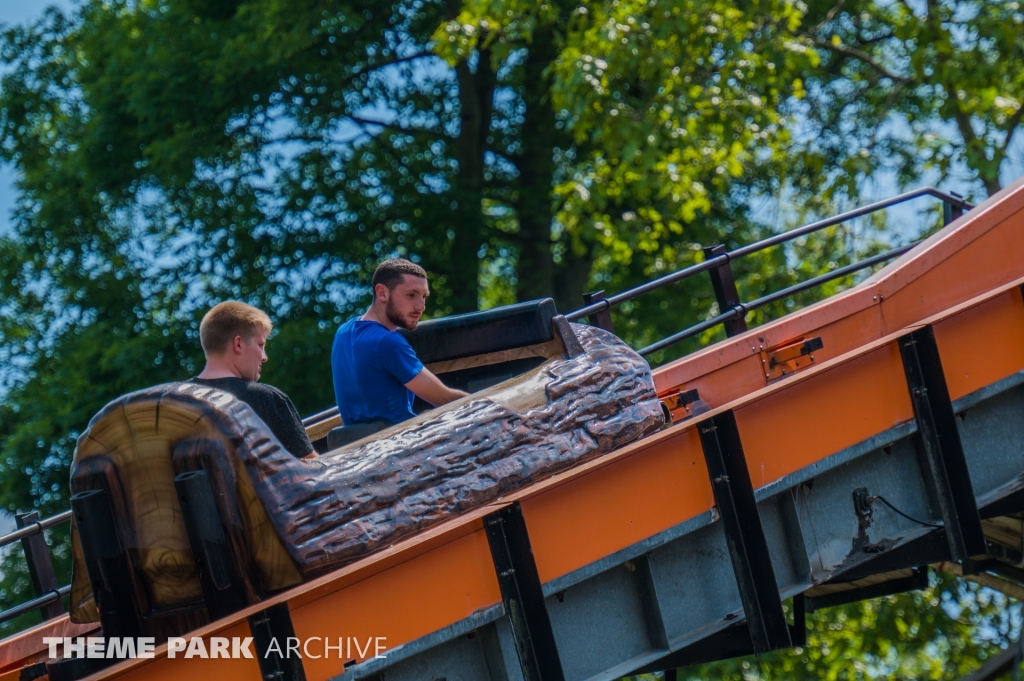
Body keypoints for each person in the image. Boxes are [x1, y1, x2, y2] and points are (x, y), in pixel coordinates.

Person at [332, 258, 467, 427]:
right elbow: (445, 399)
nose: (421, 306)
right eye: (411, 295)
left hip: (361, 448)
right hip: (401, 446)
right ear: (382, 293)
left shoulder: (342, 333)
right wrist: (495, 401)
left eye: (424, 296)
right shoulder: (388, 342)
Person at [192, 301, 317, 460]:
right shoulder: (267, 399)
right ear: (238, 343)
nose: (264, 357)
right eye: (260, 344)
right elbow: (312, 472)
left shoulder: (171, 403)